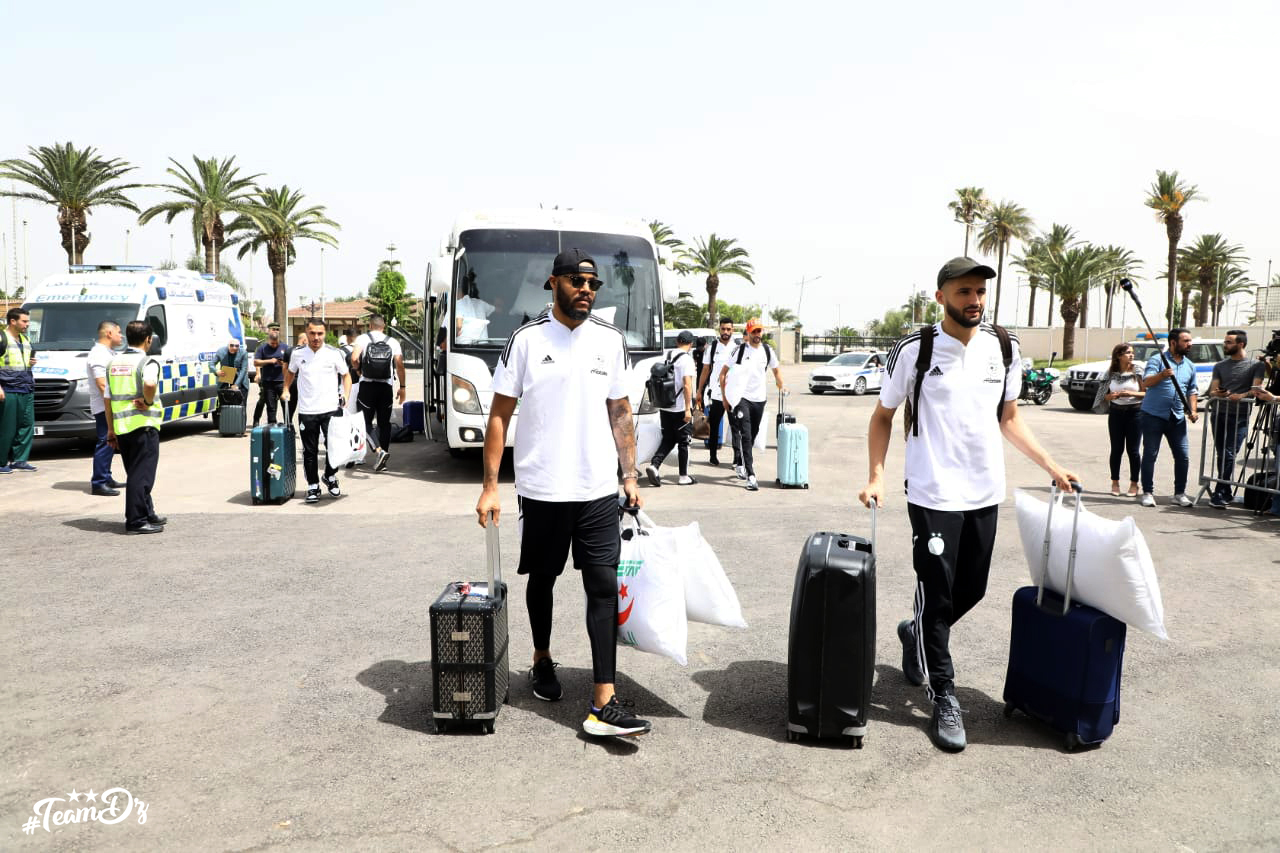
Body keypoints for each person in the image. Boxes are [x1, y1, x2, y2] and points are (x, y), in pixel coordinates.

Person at [857, 257, 1076, 753]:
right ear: (941, 297)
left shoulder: (1005, 346)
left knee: (971, 589)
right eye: (963, 292)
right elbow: (882, 416)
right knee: (937, 594)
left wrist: (1051, 466)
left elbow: (1011, 418)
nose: (974, 300)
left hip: (983, 490)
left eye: (979, 292)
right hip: (932, 492)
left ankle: (915, 633)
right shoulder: (915, 349)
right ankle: (945, 696)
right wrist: (876, 475)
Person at [475, 247, 651, 739]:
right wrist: (491, 487)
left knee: (601, 586)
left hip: (596, 490)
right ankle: (542, 658)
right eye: (576, 281)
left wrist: (630, 476)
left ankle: (603, 700)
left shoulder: (610, 342)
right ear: (553, 283)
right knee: (544, 578)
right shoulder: (527, 340)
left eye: (593, 283)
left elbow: (620, 411)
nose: (587, 290)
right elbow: (498, 415)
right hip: (542, 489)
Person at [104, 321, 166, 534]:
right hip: (143, 425)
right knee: (142, 476)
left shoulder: (113, 363)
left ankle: (148, 513)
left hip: (122, 427)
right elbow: (149, 384)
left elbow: (108, 399)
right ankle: (136, 520)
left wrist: (110, 430)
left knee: (136, 472)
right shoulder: (147, 362)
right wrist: (148, 402)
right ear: (148, 339)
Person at [282, 319, 352, 504]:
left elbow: (346, 376)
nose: (316, 337)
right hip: (307, 410)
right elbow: (290, 372)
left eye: (320, 333)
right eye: (312, 333)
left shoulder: (334, 353)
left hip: (330, 409)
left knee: (335, 448)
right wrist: (286, 389)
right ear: (307, 332)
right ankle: (313, 485)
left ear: (325, 333)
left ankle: (330, 476)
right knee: (310, 451)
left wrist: (345, 395)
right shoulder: (298, 354)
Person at [718, 317, 785, 491]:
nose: (757, 334)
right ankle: (751, 475)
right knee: (746, 435)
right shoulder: (739, 351)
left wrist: (781, 384)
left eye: (759, 331)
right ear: (747, 333)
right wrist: (726, 399)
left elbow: (776, 371)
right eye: (753, 331)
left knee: (752, 435)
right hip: (742, 399)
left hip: (759, 400)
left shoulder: (767, 351)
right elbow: (723, 374)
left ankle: (740, 460)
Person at [1138, 328, 1199, 508]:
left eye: (1190, 341)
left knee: (1183, 456)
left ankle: (1179, 494)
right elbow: (1146, 382)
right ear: (1173, 342)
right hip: (1153, 415)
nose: (1190, 344)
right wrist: (1162, 375)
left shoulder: (1190, 365)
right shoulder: (1158, 360)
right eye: (1186, 341)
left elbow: (1192, 391)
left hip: (1177, 416)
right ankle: (1147, 492)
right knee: (1150, 454)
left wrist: (1193, 410)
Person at [1206, 330, 1265, 509]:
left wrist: (1241, 395)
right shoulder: (1220, 365)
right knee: (1222, 453)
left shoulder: (1256, 365)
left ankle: (1219, 492)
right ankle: (1225, 491)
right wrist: (1219, 393)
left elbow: (1256, 389)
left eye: (1229, 342)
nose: (1225, 345)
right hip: (1219, 413)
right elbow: (1212, 391)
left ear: (1241, 344)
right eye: (1225, 342)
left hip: (1239, 415)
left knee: (1229, 453)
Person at [352, 314, 406, 472]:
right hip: (386, 387)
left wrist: (359, 370)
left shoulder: (362, 339)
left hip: (367, 387)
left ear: (370, 326)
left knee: (364, 422)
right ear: (384, 326)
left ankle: (379, 451)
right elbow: (400, 365)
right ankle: (383, 460)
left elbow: (354, 358)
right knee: (384, 423)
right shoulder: (393, 342)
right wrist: (402, 387)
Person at [645, 329, 697, 486]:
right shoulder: (687, 360)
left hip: (665, 405)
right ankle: (683, 476)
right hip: (680, 408)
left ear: (677, 342)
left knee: (668, 439)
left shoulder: (667, 355)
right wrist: (688, 409)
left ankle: (654, 465)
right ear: (691, 344)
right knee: (683, 442)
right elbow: (687, 386)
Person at [1093, 342, 1145, 498]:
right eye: (1128, 352)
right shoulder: (1109, 373)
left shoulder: (1138, 371)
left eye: (1132, 353)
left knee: (1134, 451)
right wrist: (1111, 396)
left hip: (1135, 413)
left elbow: (1146, 393)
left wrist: (1131, 393)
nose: (1131, 355)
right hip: (1116, 413)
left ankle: (1134, 484)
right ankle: (1115, 483)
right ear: (1118, 355)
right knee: (1116, 450)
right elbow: (1102, 396)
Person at [87, 320, 126, 495]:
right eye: (119, 332)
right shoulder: (98, 354)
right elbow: (102, 384)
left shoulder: (107, 352)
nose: (121, 336)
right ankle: (99, 482)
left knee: (110, 442)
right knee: (105, 441)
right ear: (109, 333)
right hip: (104, 406)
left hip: (109, 405)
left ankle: (106, 476)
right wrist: (114, 405)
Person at [696, 318, 739, 467]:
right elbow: (705, 370)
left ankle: (737, 459)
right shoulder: (712, 347)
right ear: (719, 329)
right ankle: (713, 456)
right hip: (716, 395)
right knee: (713, 426)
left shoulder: (738, 348)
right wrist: (699, 390)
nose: (725, 332)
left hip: (733, 396)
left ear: (732, 330)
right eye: (723, 329)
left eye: (728, 329)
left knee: (736, 428)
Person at [0, 307, 38, 473]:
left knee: (26, 425)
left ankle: (20, 460)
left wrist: (30, 363)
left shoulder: (25, 339)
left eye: (28, 321)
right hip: (8, 388)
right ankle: (1, 463)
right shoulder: (2, 338)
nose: (27, 324)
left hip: (26, 387)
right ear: (13, 321)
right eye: (24, 321)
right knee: (7, 427)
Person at [252, 324, 290, 426]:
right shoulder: (263, 348)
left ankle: (288, 425)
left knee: (285, 405)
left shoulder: (285, 347)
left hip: (282, 381)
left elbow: (291, 363)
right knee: (270, 406)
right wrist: (270, 361)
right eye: (272, 344)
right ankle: (272, 424)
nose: (274, 345)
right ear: (269, 340)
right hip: (268, 381)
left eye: (276, 343)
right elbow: (256, 362)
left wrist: (283, 363)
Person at [215, 338, 251, 403]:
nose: (234, 347)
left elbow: (243, 370)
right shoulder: (221, 351)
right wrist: (216, 371)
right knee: (224, 404)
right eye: (232, 345)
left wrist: (236, 384)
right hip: (227, 375)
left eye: (236, 346)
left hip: (240, 379)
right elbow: (211, 364)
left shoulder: (243, 353)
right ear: (228, 345)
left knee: (241, 405)